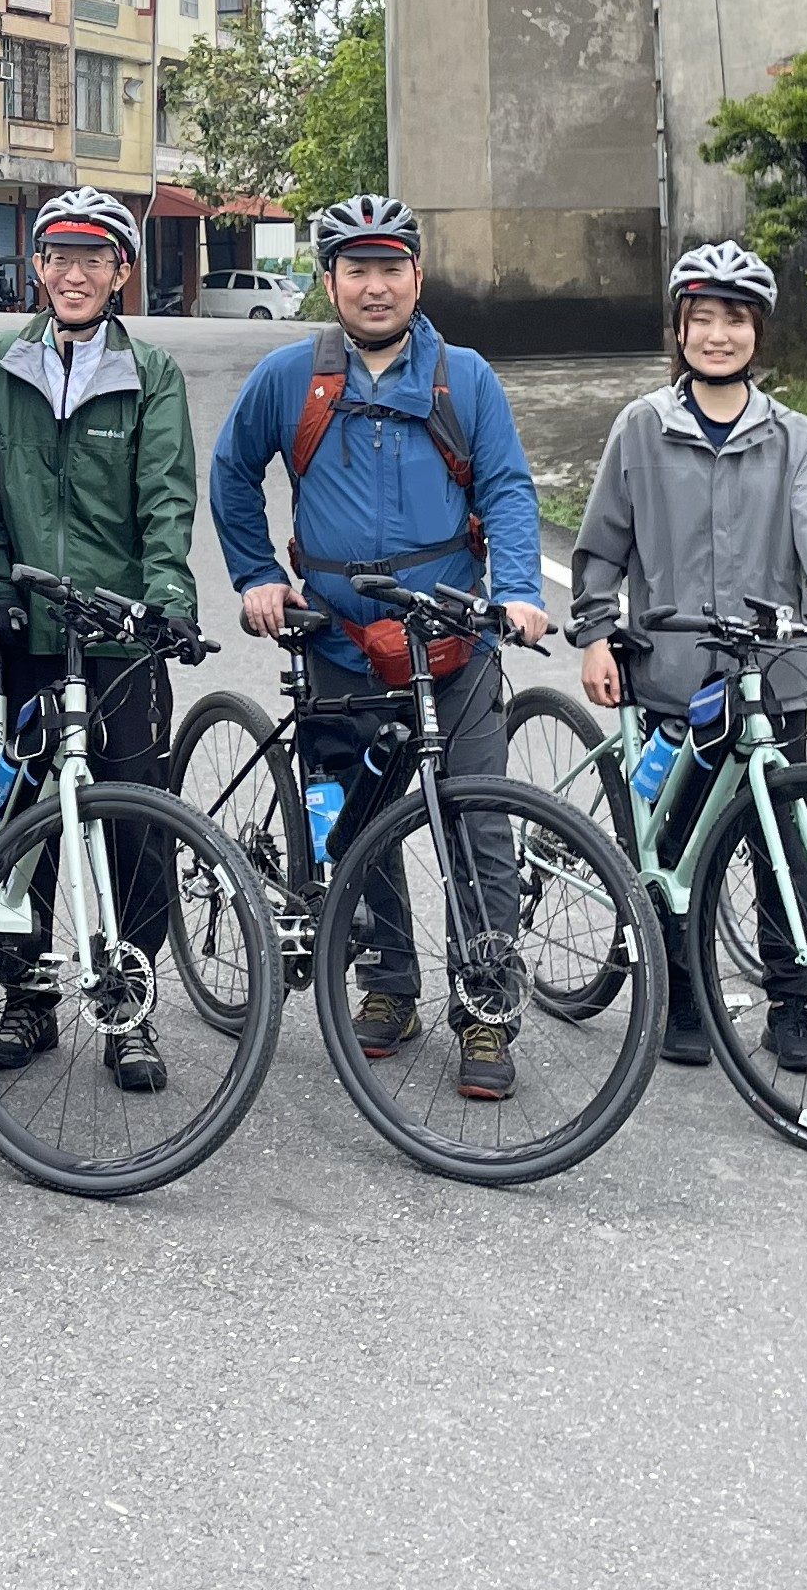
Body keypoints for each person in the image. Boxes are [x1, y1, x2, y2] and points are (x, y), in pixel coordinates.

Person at [209, 192, 554, 1099]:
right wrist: (256, 574)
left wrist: (518, 590)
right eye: (356, 269)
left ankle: (486, 1007)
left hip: (451, 640)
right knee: (358, 821)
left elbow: (508, 488)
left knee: (476, 823)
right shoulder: (290, 377)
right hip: (336, 640)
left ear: (417, 277)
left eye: (390, 268)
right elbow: (233, 471)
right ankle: (389, 983)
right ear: (329, 282)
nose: (374, 286)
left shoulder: (463, 377)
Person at [566, 238, 807, 1075]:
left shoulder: (794, 436)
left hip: (771, 677)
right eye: (702, 319)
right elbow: (601, 544)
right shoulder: (642, 427)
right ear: (680, 330)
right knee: (676, 844)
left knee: (781, 843)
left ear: (758, 333)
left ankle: (791, 1005)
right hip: (673, 674)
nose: (718, 335)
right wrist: (595, 634)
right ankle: (682, 993)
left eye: (735, 320)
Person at [0, 187, 198, 1092]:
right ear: (36, 266)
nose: (73, 273)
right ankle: (25, 995)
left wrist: (168, 595)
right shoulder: (0, 362)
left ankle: (129, 1003)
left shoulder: (151, 372)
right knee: (26, 819)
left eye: (93, 258)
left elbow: (166, 493)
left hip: (121, 630)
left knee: (136, 820)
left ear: (120, 272)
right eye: (58, 256)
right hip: (30, 624)